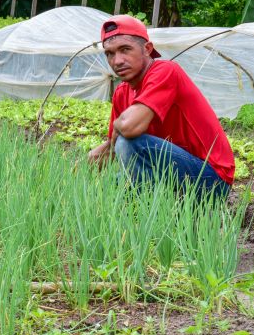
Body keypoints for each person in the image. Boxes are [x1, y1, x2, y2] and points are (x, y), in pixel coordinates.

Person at [88, 15, 235, 198]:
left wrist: (114, 139)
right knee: (110, 188)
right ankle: (149, 209)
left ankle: (151, 210)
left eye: (125, 49)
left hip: (212, 179)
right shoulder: (121, 93)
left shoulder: (165, 71)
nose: (117, 61)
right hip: (173, 169)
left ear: (147, 49)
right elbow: (112, 146)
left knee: (128, 142)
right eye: (110, 53)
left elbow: (127, 129)